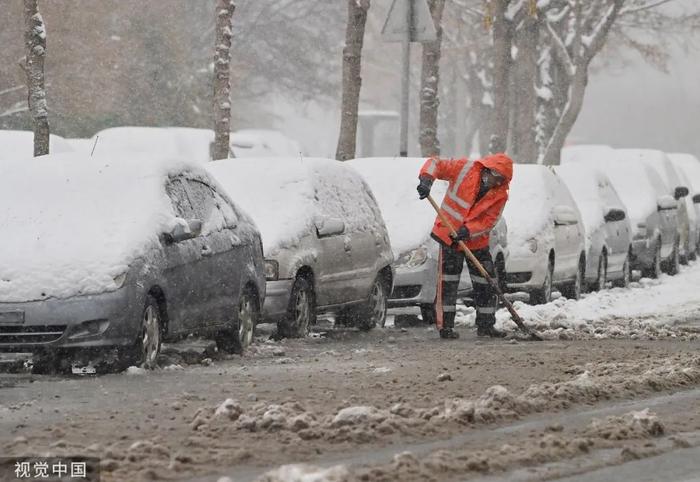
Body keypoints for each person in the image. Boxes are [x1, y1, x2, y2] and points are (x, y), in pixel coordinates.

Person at [416, 135, 513, 339]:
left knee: (486, 281)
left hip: (475, 241)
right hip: (449, 235)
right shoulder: (464, 169)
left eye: (500, 180)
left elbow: (489, 221)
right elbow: (436, 163)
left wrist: (468, 231)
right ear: (488, 169)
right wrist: (426, 179)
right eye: (495, 176)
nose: (496, 182)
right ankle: (445, 327)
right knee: (448, 282)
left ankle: (486, 325)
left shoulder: (500, 194)